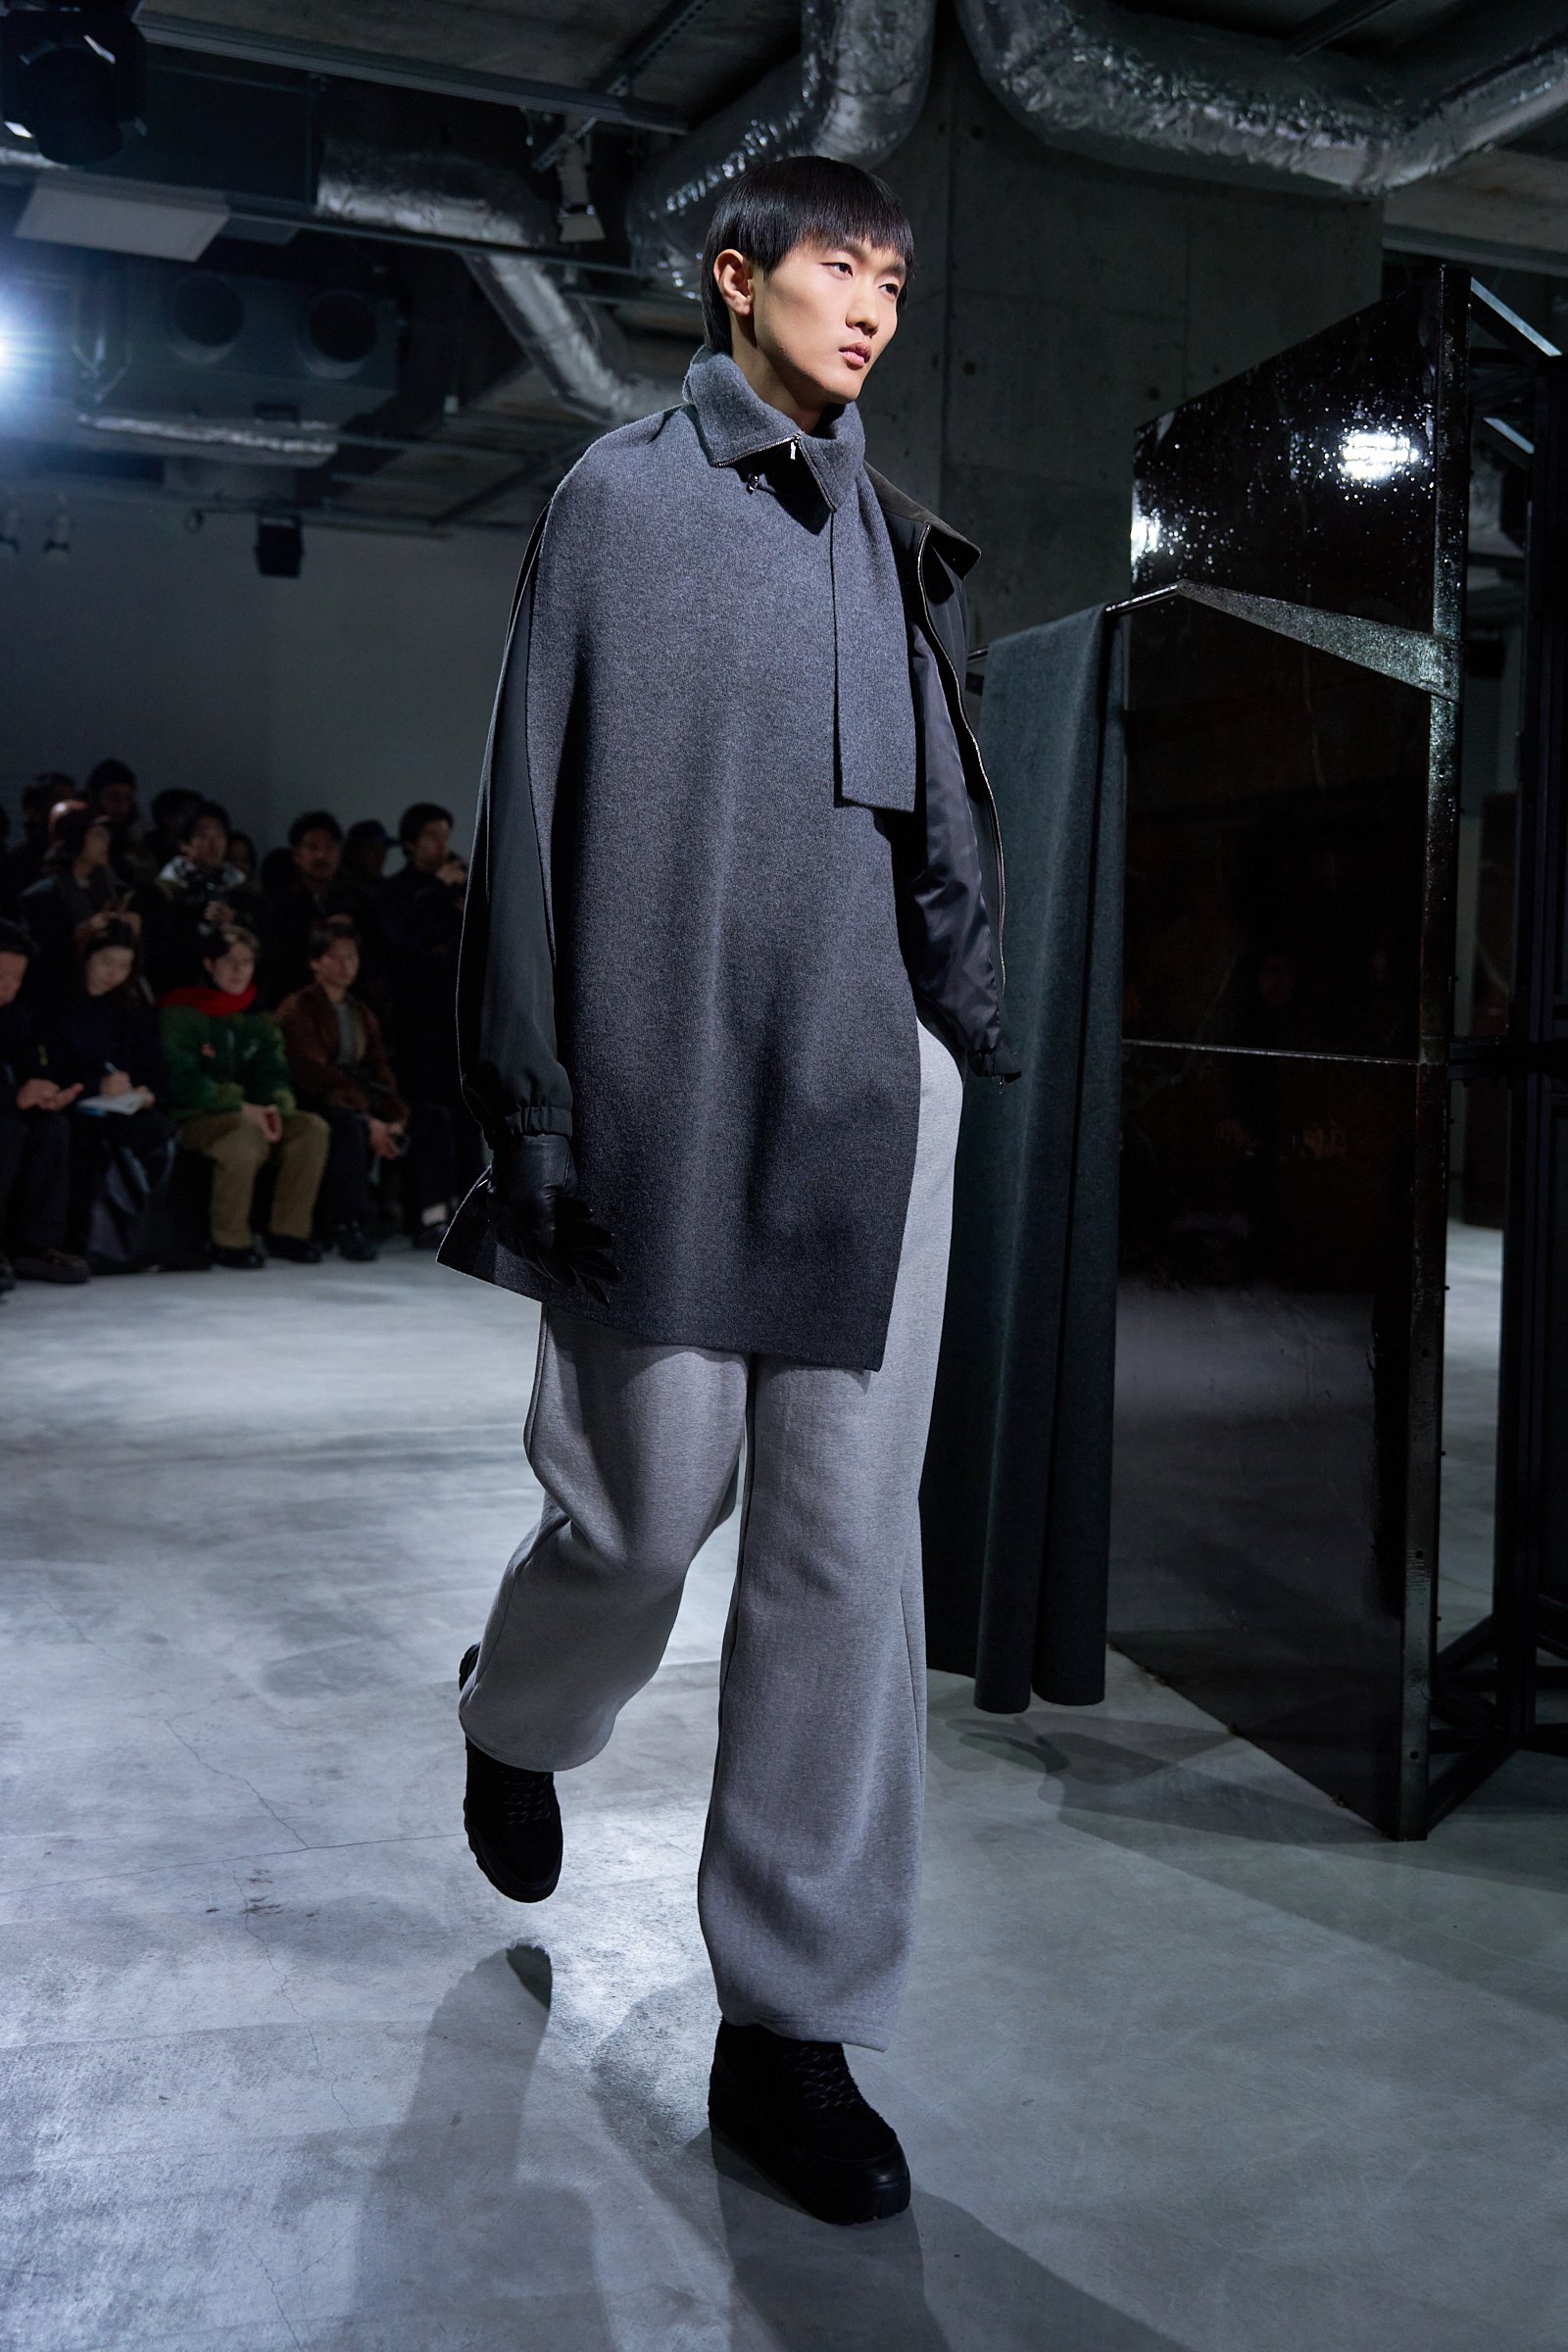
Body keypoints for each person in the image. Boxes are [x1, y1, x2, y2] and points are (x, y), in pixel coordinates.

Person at [440, 158, 1018, 2227]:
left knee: (846, 1571)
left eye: (893, 279)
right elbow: (527, 806)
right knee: (635, 1513)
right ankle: (518, 1715)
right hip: (665, 1087)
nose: (869, 305)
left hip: (872, 1101)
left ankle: (793, 2029)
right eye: (838, 266)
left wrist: (965, 1025)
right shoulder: (618, 501)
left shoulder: (888, 527)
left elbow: (935, 818)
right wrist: (530, 1104)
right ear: (735, 275)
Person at [276, 919, 458, 1259]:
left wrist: (394, 1115)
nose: (346, 966)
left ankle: (431, 1216)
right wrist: (367, 1116)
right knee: (349, 1128)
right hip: (320, 1099)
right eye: (336, 957)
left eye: (352, 957)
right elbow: (310, 1072)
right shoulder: (298, 1008)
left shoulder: (359, 1010)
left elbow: (378, 1065)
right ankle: (350, 1224)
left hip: (363, 1096)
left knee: (432, 1120)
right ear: (315, 961)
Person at [159, 924, 329, 1268]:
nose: (238, 970)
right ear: (209, 964)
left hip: (252, 1112)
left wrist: (275, 1106)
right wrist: (240, 1105)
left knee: (311, 1129)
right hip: (196, 1116)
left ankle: (289, 1232)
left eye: (247, 962)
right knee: (242, 1135)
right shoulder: (181, 1013)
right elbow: (183, 1081)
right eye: (229, 961)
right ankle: (230, 1240)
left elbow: (274, 1074)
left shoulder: (258, 1018)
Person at [43, 918, 176, 1271]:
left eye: (124, 966)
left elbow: (153, 1068)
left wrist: (146, 1092)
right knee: (83, 1140)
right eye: (106, 962)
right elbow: (48, 1067)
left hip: (122, 1106)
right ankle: (89, 1241)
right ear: (86, 957)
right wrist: (94, 1086)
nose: (114, 973)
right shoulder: (56, 1006)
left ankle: (142, 1242)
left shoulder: (129, 1009)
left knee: (157, 1131)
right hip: (72, 1107)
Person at [377, 801, 479, 1192]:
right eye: (431, 836)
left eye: (445, 836)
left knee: (467, 1111)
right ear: (409, 843)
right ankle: (417, 1203)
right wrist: (439, 891)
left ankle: (472, 1200)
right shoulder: (397, 891)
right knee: (421, 1111)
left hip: (459, 1015)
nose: (441, 844)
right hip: (413, 1018)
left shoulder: (463, 879)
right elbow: (410, 934)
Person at [0, 919, 91, 1288]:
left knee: (52, 1128)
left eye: (16, 979)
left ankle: (35, 1246)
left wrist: (46, 1092)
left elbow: (30, 1064)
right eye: (1, 976)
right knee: (6, 1128)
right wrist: (12, 1096)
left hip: (10, 1108)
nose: (8, 987)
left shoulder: (15, 1016)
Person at [143, 799, 259, 993]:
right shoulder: (165, 890)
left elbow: (261, 938)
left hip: (234, 987)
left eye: (220, 835)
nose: (213, 844)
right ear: (184, 844)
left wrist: (235, 920)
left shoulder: (240, 887)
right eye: (202, 836)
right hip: (180, 986)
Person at [20, 802, 131, 999]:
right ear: (76, 838)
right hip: (59, 993)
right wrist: (83, 934)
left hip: (106, 992)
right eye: (97, 835)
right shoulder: (43, 896)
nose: (106, 842)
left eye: (106, 835)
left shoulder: (115, 889)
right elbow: (39, 955)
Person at [259, 809, 364, 1006]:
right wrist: (321, 933)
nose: (321, 855)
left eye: (329, 847)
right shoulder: (277, 900)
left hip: (348, 1000)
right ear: (296, 855)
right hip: (292, 999)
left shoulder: (357, 899)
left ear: (340, 853)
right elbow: (274, 956)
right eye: (312, 848)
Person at [85, 759, 155, 884]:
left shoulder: (136, 837)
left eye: (128, 798)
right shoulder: (79, 840)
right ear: (95, 797)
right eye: (112, 797)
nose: (121, 806)